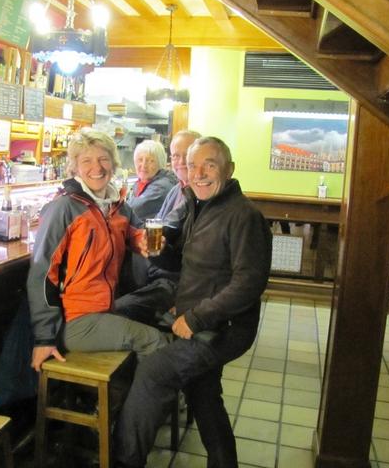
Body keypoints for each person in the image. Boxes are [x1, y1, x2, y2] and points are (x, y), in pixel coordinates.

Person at [114, 136, 273, 468]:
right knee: (203, 393)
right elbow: (187, 265)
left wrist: (196, 318)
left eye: (209, 165)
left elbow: (248, 283)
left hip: (223, 328)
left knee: (153, 372)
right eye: (193, 165)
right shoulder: (198, 206)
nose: (199, 173)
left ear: (229, 169)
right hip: (202, 319)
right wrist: (159, 252)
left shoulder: (244, 215)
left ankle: (125, 462)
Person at [27, 129, 169, 372]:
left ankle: (119, 405)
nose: (97, 167)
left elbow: (133, 230)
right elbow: (41, 273)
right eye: (87, 161)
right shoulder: (64, 208)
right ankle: (145, 409)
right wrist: (44, 337)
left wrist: (141, 240)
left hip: (104, 309)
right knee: (156, 341)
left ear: (113, 164)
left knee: (154, 322)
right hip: (74, 320)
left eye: (103, 159)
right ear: (75, 167)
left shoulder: (115, 206)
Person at [156, 130, 201, 223]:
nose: (181, 162)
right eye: (176, 156)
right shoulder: (175, 190)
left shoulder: (204, 194)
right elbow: (158, 221)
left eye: (188, 155)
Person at [127, 140, 177, 221]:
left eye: (151, 161)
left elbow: (133, 209)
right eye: (140, 160)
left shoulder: (163, 185)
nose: (144, 165)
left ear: (160, 163)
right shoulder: (140, 183)